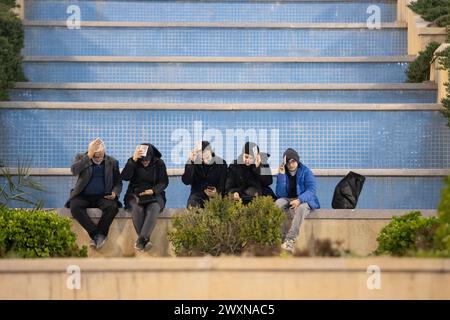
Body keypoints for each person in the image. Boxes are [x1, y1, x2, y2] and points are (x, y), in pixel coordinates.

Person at [68, 138, 122, 249]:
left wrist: (115, 193)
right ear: (91, 153)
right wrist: (88, 156)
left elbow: (118, 182)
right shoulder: (82, 158)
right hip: (83, 195)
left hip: (103, 196)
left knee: (112, 207)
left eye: (100, 156)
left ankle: (98, 236)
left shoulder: (112, 162)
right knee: (75, 207)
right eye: (95, 156)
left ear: (104, 153)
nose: (98, 159)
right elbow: (74, 170)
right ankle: (96, 235)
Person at [121, 143, 169, 252]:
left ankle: (141, 240)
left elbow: (164, 182)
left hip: (154, 193)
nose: (145, 162)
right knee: (137, 208)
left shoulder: (159, 163)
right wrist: (133, 160)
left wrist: (153, 191)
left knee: (154, 208)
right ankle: (145, 240)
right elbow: (124, 177)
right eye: (142, 160)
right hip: (135, 194)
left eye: (147, 160)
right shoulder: (133, 161)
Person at [275, 148, 320, 253]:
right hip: (289, 198)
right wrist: (281, 176)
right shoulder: (283, 172)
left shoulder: (306, 171)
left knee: (300, 208)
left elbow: (311, 190)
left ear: (297, 160)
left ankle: (290, 240)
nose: (291, 165)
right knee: (277, 204)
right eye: (289, 162)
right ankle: (279, 237)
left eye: (293, 161)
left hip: (305, 200)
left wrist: (299, 200)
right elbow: (280, 194)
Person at [182, 141, 227, 208]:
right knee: (192, 205)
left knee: (218, 206)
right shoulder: (194, 163)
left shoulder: (221, 164)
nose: (205, 160)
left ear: (211, 152)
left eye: (207, 157)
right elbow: (186, 181)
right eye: (202, 158)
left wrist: (216, 193)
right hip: (197, 196)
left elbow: (223, 185)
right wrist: (191, 162)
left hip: (215, 196)